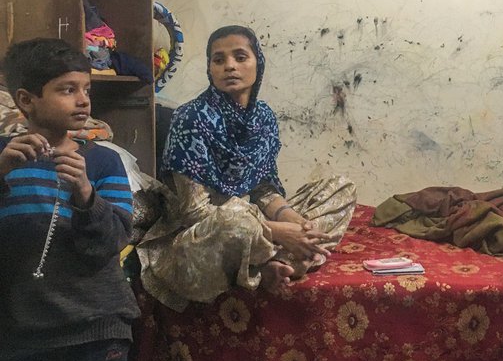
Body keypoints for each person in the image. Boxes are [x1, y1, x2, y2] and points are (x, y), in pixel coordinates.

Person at [137, 25, 357, 312]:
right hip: (203, 238)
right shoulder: (190, 118)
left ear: (258, 63)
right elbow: (194, 213)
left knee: (340, 188)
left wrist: (299, 225)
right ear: (210, 68)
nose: (230, 66)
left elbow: (263, 189)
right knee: (236, 220)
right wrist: (280, 233)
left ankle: (278, 262)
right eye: (219, 60)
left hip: (254, 225)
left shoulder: (263, 117)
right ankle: (279, 261)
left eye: (240, 57)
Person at [0, 38, 137, 361]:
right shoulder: (5, 159)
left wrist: (84, 194)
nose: (83, 100)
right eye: (67, 89)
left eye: (86, 89)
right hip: (17, 333)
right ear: (27, 99)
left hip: (95, 331)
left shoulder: (101, 161)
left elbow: (110, 242)